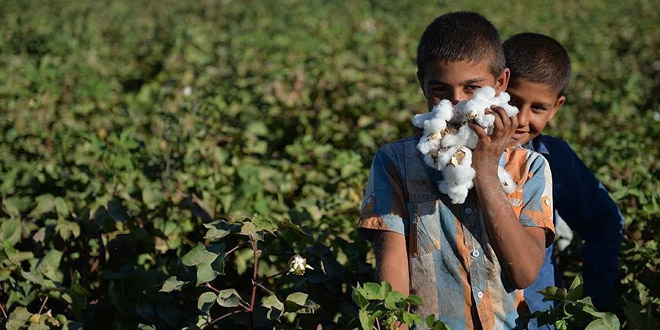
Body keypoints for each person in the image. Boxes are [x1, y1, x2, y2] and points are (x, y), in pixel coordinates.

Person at [358, 12, 555, 329]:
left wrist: (487, 171)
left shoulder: (530, 168)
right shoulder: (394, 164)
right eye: (441, 90)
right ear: (422, 84)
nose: (457, 104)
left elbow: (525, 273)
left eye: (472, 88)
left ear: (500, 83)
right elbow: (393, 290)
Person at [503, 33, 624, 327]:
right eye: (513, 101)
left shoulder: (556, 159)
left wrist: (592, 306)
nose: (521, 120)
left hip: (538, 320)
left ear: (556, 107)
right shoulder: (458, 154)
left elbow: (605, 222)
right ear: (496, 86)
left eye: (538, 108)